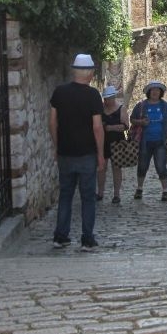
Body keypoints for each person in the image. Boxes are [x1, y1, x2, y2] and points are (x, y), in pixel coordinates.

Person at [49, 53, 105, 251]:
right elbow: (97, 127)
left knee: (65, 195)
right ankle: (87, 239)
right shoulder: (92, 95)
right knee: (88, 197)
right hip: (86, 154)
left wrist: (57, 146)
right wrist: (100, 153)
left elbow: (52, 122)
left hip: (65, 152)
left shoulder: (59, 92)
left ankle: (60, 236)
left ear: (75, 70)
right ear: (89, 73)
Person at [131, 80, 167, 201]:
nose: (155, 92)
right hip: (145, 141)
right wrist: (141, 122)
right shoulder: (141, 105)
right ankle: (139, 188)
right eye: (152, 90)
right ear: (148, 92)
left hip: (160, 141)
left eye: (157, 90)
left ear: (160, 92)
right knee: (142, 166)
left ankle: (165, 191)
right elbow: (132, 119)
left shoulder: (165, 106)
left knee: (161, 166)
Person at [101, 86, 129, 205]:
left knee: (116, 167)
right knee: (101, 167)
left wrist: (110, 127)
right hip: (103, 141)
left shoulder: (121, 109)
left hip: (117, 141)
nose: (107, 101)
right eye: (105, 99)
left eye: (108, 98)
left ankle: (116, 194)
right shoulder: (101, 109)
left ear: (113, 98)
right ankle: (100, 192)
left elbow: (125, 125)